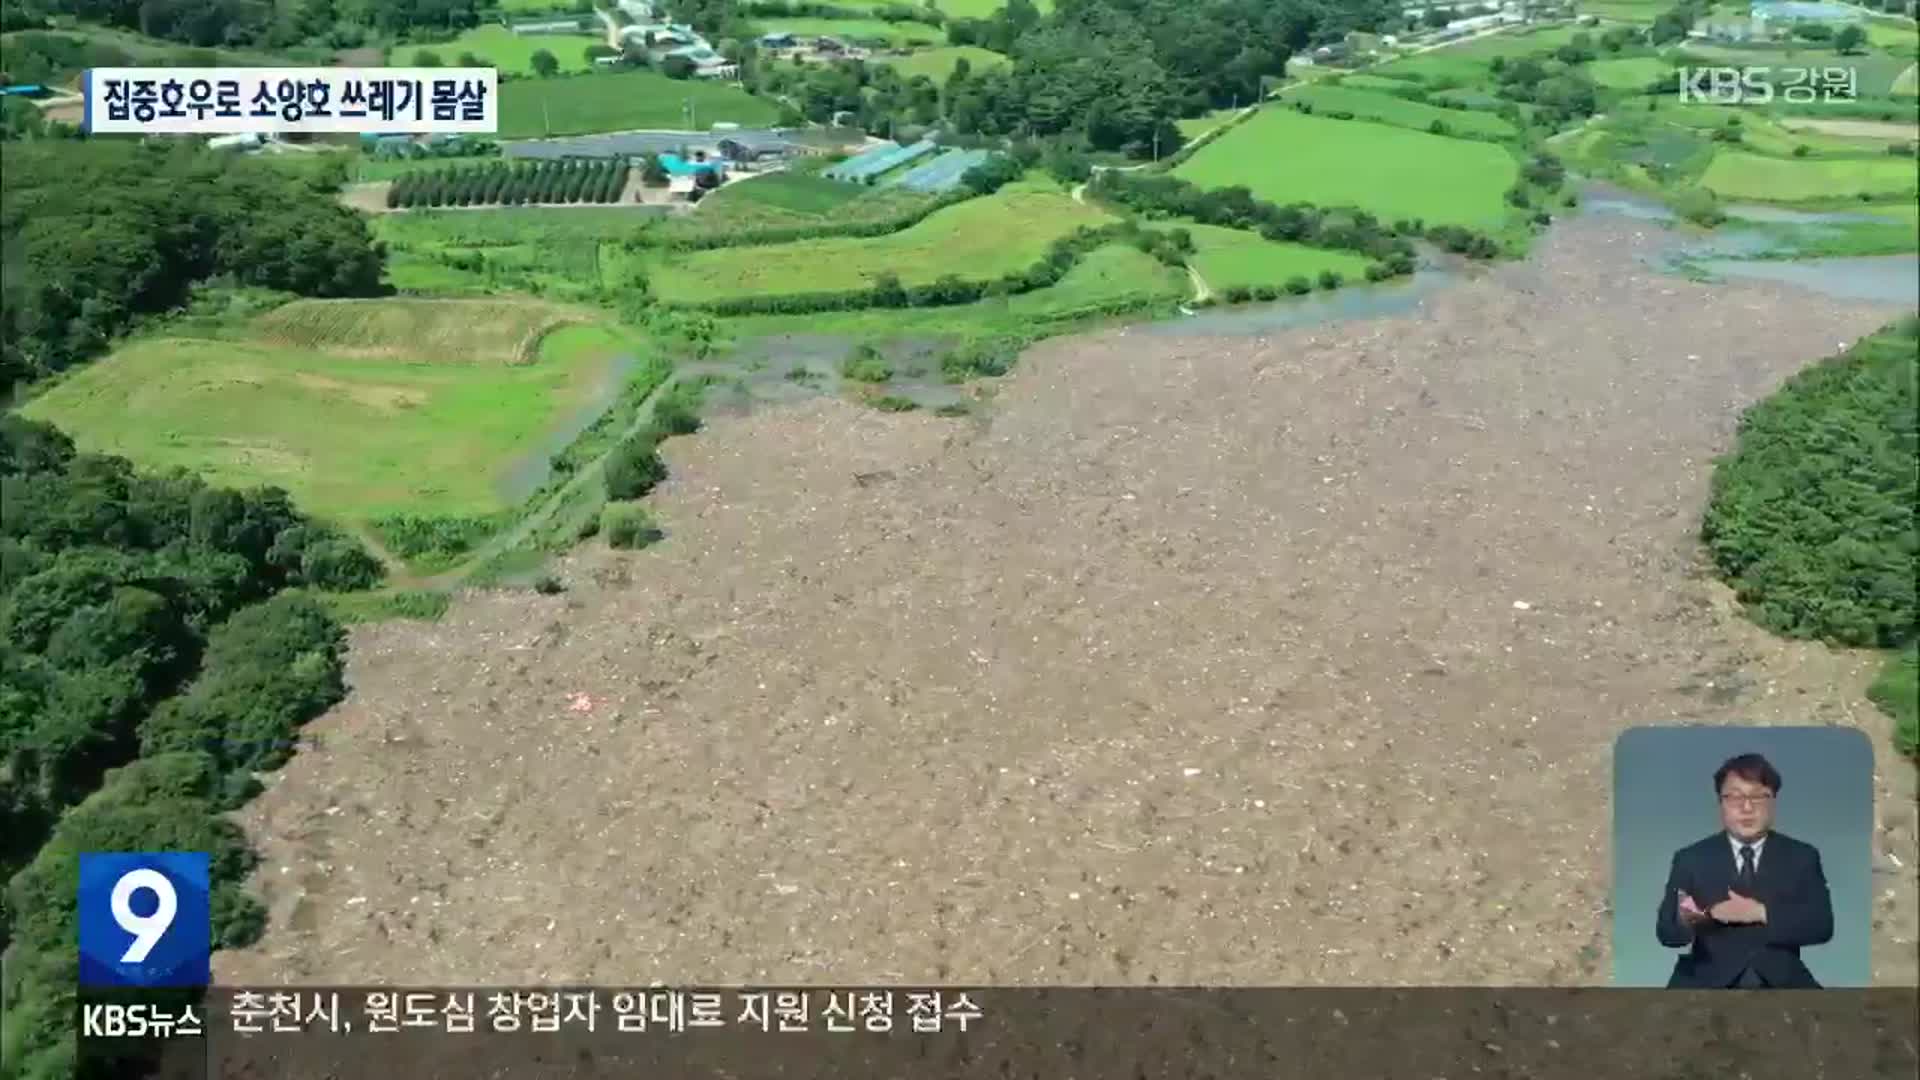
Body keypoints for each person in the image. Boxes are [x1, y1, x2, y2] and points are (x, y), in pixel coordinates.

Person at [1655, 753, 1833, 988]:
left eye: (1759, 797)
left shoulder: (1802, 856)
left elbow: (1821, 926)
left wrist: (1760, 912)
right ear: (1720, 803)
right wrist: (1688, 920)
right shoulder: (1690, 858)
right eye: (1735, 797)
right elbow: (1667, 933)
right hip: (1706, 981)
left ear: (1773, 802)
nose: (1747, 807)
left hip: (1781, 981)